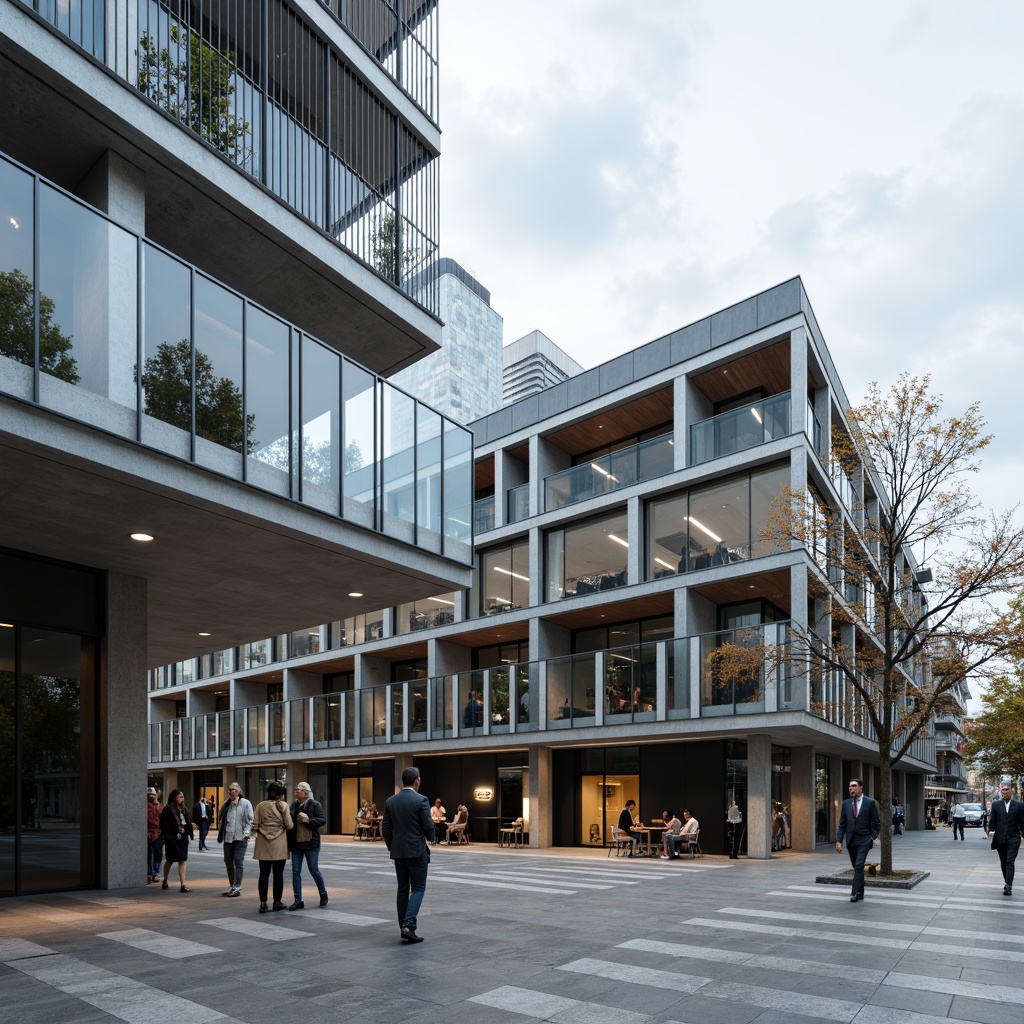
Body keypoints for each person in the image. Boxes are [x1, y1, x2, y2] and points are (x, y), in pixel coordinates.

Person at [381, 765, 434, 944]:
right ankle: (408, 925)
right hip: (416, 850)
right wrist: (431, 838)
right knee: (418, 888)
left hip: (398, 851)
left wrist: (391, 845)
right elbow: (428, 825)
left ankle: (403, 926)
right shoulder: (421, 800)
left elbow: (386, 828)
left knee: (402, 889)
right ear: (417, 781)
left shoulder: (391, 801)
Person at [835, 778, 881, 903]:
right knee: (857, 868)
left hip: (865, 840)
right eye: (850, 786)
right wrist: (839, 841)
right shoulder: (846, 804)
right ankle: (860, 892)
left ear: (861, 787)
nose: (851, 788)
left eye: (854, 786)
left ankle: (854, 893)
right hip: (851, 841)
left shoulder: (869, 803)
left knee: (860, 865)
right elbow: (842, 825)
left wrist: (872, 838)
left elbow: (876, 823)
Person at [253, 781, 293, 913]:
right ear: (280, 794)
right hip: (279, 844)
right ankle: (277, 902)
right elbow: (289, 825)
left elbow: (255, 824)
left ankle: (263, 903)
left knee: (264, 874)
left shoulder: (260, 806)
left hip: (263, 844)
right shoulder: (284, 806)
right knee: (278, 874)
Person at [288, 781, 328, 910]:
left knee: (314, 870)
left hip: (311, 843)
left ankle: (323, 893)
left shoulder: (315, 804)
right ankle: (298, 899)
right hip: (296, 844)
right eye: (295, 790)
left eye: (298, 790)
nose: (296, 792)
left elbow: (322, 820)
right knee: (295, 871)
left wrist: (309, 820)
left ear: (306, 793)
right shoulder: (293, 806)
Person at [986, 781, 1024, 896]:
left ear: (1011, 791)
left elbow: (1023, 822)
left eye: (1007, 790)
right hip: (1000, 838)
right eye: (1003, 790)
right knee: (1003, 862)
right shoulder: (996, 804)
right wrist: (989, 829)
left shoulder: (1019, 805)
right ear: (1001, 791)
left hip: (1014, 837)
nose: (1005, 792)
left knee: (1009, 861)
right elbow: (993, 819)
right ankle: (1007, 881)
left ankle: (1008, 885)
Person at [218, 781, 254, 897]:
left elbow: (250, 820)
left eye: (233, 789)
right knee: (228, 862)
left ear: (238, 791)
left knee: (239, 862)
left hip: (240, 838)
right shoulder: (226, 804)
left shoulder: (245, 803)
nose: (230, 791)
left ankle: (237, 887)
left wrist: (246, 834)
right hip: (228, 838)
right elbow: (222, 819)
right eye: (229, 789)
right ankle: (232, 886)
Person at [159, 789, 193, 892]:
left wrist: (189, 833)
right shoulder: (167, 809)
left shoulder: (183, 809)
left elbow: (186, 823)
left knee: (182, 860)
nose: (182, 799)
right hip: (172, 839)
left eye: (182, 797)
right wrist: (170, 835)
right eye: (180, 797)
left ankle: (183, 884)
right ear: (174, 798)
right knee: (170, 860)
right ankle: (165, 880)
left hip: (182, 838)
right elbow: (163, 825)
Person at [147, 787, 163, 883]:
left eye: (153, 794)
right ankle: (149, 872)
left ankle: (156, 872)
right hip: (147, 832)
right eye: (149, 795)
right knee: (148, 853)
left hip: (158, 832)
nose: (151, 796)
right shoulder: (144, 806)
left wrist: (156, 802)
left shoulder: (159, 806)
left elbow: (162, 815)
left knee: (157, 852)